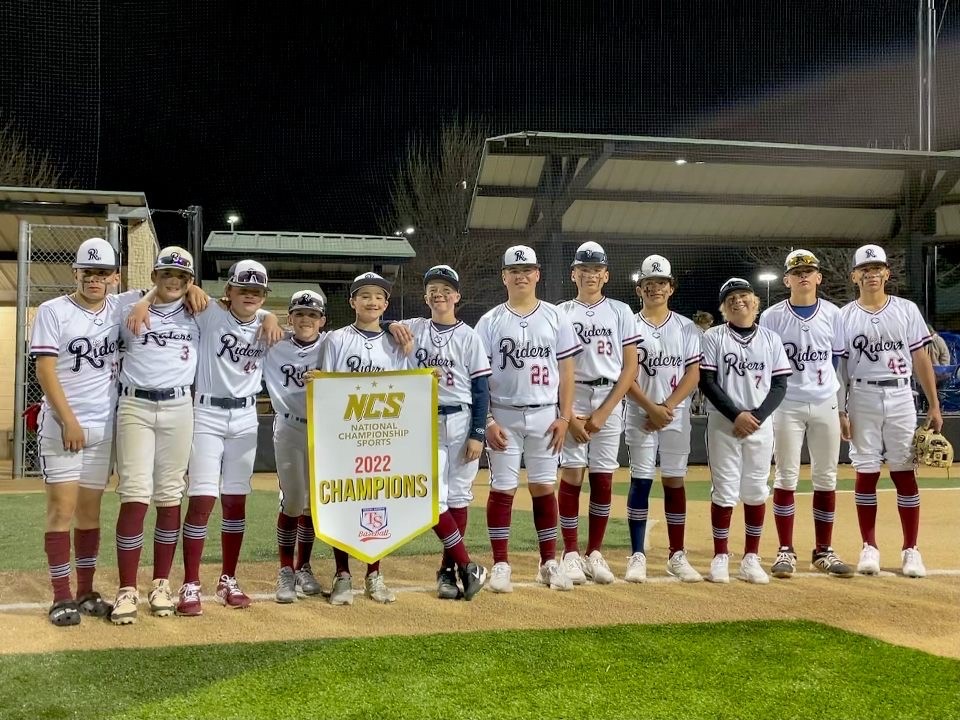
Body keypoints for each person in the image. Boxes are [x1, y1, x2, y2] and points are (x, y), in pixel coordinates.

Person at [130, 259, 280, 616]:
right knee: (202, 500)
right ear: (228, 292)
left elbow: (285, 332)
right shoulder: (210, 313)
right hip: (207, 414)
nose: (250, 296)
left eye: (257, 291)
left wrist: (272, 315)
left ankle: (228, 578)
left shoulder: (265, 322)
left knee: (235, 501)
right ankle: (191, 583)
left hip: (245, 417)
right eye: (243, 289)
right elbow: (172, 292)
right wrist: (145, 299)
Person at [30, 237, 143, 626]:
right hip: (65, 426)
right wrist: (69, 420)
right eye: (88, 271)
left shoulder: (121, 305)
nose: (95, 279)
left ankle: (85, 590)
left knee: (90, 513)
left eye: (103, 272)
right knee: (61, 510)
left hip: (104, 425)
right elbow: (45, 369)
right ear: (75, 272)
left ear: (115, 276)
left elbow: (167, 288)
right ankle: (61, 597)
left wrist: (193, 287)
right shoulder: (53, 310)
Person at [475, 245, 582, 593]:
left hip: (544, 415)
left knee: (542, 487)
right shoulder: (490, 321)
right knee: (502, 487)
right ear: (504, 276)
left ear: (537, 274)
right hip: (504, 415)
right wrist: (488, 419)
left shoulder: (555, 316)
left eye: (528, 270)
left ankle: (548, 561)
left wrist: (565, 416)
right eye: (514, 271)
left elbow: (568, 372)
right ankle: (501, 563)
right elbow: (479, 377)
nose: (521, 275)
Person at [109, 247, 206, 624]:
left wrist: (266, 320)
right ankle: (126, 589)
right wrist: (142, 302)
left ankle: (161, 583)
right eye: (166, 274)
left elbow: (244, 312)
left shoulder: (199, 310)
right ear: (153, 276)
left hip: (180, 406)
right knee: (134, 494)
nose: (174, 281)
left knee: (169, 495)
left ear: (189, 281)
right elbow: (97, 299)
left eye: (182, 277)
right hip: (135, 405)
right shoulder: (127, 305)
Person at [838, 244, 943, 578]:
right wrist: (840, 409)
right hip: (862, 395)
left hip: (900, 395)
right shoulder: (844, 316)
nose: (871, 274)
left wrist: (934, 404)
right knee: (865, 471)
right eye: (865, 270)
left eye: (877, 268)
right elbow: (839, 366)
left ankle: (911, 549)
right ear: (855, 276)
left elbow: (921, 358)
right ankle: (869, 545)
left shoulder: (907, 309)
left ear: (886, 273)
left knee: (903, 470)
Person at [388, 265, 490, 600]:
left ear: (457, 297)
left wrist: (478, 432)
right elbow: (380, 327)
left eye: (446, 289)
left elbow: (480, 390)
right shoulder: (414, 327)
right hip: (423, 420)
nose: (439, 294)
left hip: (461, 420)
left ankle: (448, 572)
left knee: (459, 496)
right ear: (425, 296)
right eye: (433, 288)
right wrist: (392, 324)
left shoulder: (469, 336)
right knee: (431, 498)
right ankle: (467, 564)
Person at [758, 250, 854, 580]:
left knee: (826, 478)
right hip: (786, 404)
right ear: (786, 280)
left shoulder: (834, 314)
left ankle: (823, 550)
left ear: (818, 278)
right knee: (786, 476)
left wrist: (843, 408)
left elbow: (839, 364)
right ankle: (785, 550)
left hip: (826, 400)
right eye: (796, 272)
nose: (803, 275)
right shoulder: (771, 317)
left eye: (809, 271)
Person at [318, 272, 409, 605]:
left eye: (379, 297)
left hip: (382, 434)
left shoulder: (395, 342)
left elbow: (405, 386)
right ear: (352, 301)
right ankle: (342, 574)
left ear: (386, 304)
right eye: (365, 296)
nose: (372, 302)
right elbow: (325, 390)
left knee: (377, 502)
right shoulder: (336, 340)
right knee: (344, 501)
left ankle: (374, 573)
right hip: (345, 434)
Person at [555, 242, 638, 586]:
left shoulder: (620, 311)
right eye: (583, 269)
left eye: (596, 270)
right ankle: (571, 553)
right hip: (573, 394)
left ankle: (595, 552)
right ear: (573, 274)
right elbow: (556, 365)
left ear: (606, 275)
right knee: (572, 474)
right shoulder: (559, 312)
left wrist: (605, 411)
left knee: (603, 477)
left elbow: (630, 367)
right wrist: (569, 415)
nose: (590, 275)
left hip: (608, 395)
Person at [699, 278, 792, 585]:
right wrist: (736, 415)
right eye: (731, 298)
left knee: (755, 490)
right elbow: (707, 381)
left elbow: (780, 384)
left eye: (744, 296)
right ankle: (721, 556)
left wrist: (757, 417)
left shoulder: (770, 338)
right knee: (724, 490)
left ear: (755, 302)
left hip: (759, 425)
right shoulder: (714, 336)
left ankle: (751, 557)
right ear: (724, 308)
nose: (739, 301)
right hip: (724, 424)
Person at [623, 255, 704, 583]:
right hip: (639, 412)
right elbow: (624, 374)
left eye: (661, 283)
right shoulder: (628, 324)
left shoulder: (686, 326)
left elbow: (693, 373)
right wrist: (651, 408)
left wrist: (666, 406)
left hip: (677, 414)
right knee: (641, 479)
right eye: (648, 283)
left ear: (671, 288)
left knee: (674, 479)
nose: (655, 288)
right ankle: (637, 554)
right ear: (639, 289)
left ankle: (676, 554)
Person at [264, 290, 328, 603]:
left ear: (322, 320)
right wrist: (265, 316)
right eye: (300, 314)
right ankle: (285, 570)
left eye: (312, 315)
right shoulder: (273, 343)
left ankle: (304, 566)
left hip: (324, 430)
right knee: (292, 502)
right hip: (289, 426)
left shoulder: (333, 344)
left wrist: (392, 327)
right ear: (290, 318)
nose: (306, 319)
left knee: (313, 504)